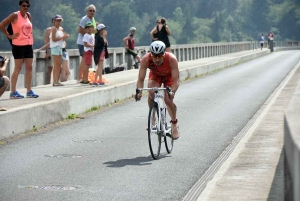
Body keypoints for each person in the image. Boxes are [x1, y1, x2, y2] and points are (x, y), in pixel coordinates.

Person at [135, 41, 180, 139]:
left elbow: (176, 81)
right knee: (151, 91)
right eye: (154, 56)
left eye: (159, 56)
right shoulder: (146, 59)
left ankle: (174, 125)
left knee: (168, 100)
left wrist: (172, 91)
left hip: (169, 77)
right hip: (156, 76)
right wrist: (139, 91)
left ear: (164, 54)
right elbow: (140, 79)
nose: (157, 59)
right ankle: (153, 117)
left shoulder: (171, 59)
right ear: (151, 54)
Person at [0, 0, 38, 99]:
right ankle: (13, 92)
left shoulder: (28, 16)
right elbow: (2, 24)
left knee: (29, 68)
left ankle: (29, 91)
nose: (25, 7)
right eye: (24, 6)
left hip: (28, 44)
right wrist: (9, 35)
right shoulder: (15, 15)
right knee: (18, 68)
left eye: (27, 6)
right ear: (20, 6)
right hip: (18, 45)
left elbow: (29, 29)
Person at [76, 4, 97, 84]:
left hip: (90, 43)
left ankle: (83, 77)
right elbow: (80, 30)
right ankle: (80, 77)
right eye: (90, 10)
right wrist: (89, 31)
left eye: (93, 11)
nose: (92, 12)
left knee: (86, 60)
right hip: (82, 42)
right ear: (87, 11)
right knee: (84, 60)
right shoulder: (84, 19)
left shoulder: (93, 20)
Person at [50, 14, 69, 86]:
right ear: (54, 21)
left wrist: (65, 37)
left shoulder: (61, 29)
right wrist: (62, 37)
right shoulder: (54, 29)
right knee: (56, 64)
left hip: (60, 47)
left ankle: (56, 81)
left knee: (59, 65)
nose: (58, 22)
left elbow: (62, 39)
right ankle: (55, 81)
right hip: (55, 47)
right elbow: (53, 39)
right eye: (57, 21)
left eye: (60, 21)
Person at [37, 17, 55, 84]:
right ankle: (48, 83)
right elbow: (46, 41)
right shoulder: (49, 30)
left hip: (58, 50)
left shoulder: (60, 29)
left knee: (58, 68)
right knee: (50, 68)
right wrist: (46, 52)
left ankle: (56, 81)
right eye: (54, 21)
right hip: (50, 49)